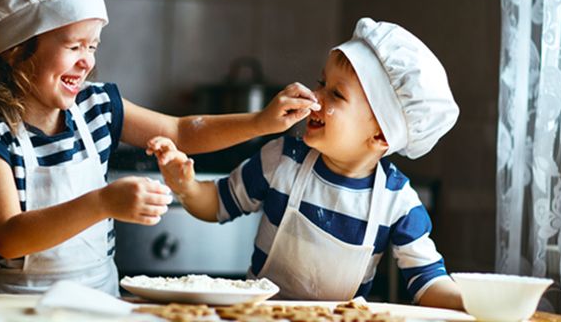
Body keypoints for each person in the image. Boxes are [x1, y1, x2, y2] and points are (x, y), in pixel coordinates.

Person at [0, 0, 320, 295]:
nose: (87, 61)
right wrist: (102, 203)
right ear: (17, 50)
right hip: (15, 306)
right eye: (74, 45)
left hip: (99, 302)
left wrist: (261, 122)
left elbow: (181, 131)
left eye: (92, 46)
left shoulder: (97, 106)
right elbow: (8, 236)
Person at [147, 17, 464, 309]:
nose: (315, 96)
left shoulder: (398, 202)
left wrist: (476, 302)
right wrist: (186, 186)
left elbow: (428, 282)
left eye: (336, 95)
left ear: (381, 134)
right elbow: (216, 204)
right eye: (321, 82)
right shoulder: (282, 159)